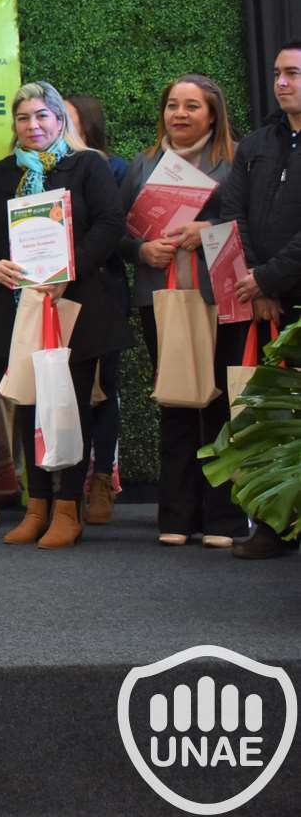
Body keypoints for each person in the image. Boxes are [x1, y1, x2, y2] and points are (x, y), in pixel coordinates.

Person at [0, 81, 127, 550]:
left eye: (41, 116)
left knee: (70, 405)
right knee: (28, 403)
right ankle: (36, 507)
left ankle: (68, 508)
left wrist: (70, 269)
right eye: (23, 118)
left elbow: (111, 224)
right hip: (20, 306)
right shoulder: (2, 173)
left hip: (76, 304)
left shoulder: (88, 165)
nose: (32, 125)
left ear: (59, 119)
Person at [117, 75, 244, 549]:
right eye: (172, 105)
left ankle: (224, 519)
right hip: (160, 299)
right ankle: (175, 515)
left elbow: (252, 223)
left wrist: (207, 228)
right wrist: (140, 251)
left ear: (213, 114)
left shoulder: (236, 160)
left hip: (220, 296)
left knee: (219, 404)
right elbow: (117, 230)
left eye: (192, 106)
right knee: (174, 402)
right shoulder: (143, 163)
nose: (180, 114)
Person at [218, 41, 301, 560]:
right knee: (271, 419)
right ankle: (274, 526)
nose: (282, 82)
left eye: (293, 73)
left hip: (284, 292)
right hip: (262, 302)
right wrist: (256, 282)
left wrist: (269, 278)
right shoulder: (256, 143)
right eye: (277, 73)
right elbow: (234, 213)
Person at [63, 92, 132, 524]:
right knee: (62, 391)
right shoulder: (44, 170)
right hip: (55, 295)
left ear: (87, 124)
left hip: (102, 291)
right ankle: (63, 490)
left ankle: (102, 478)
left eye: (65, 118)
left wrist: (74, 264)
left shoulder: (113, 167)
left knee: (102, 389)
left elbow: (114, 229)